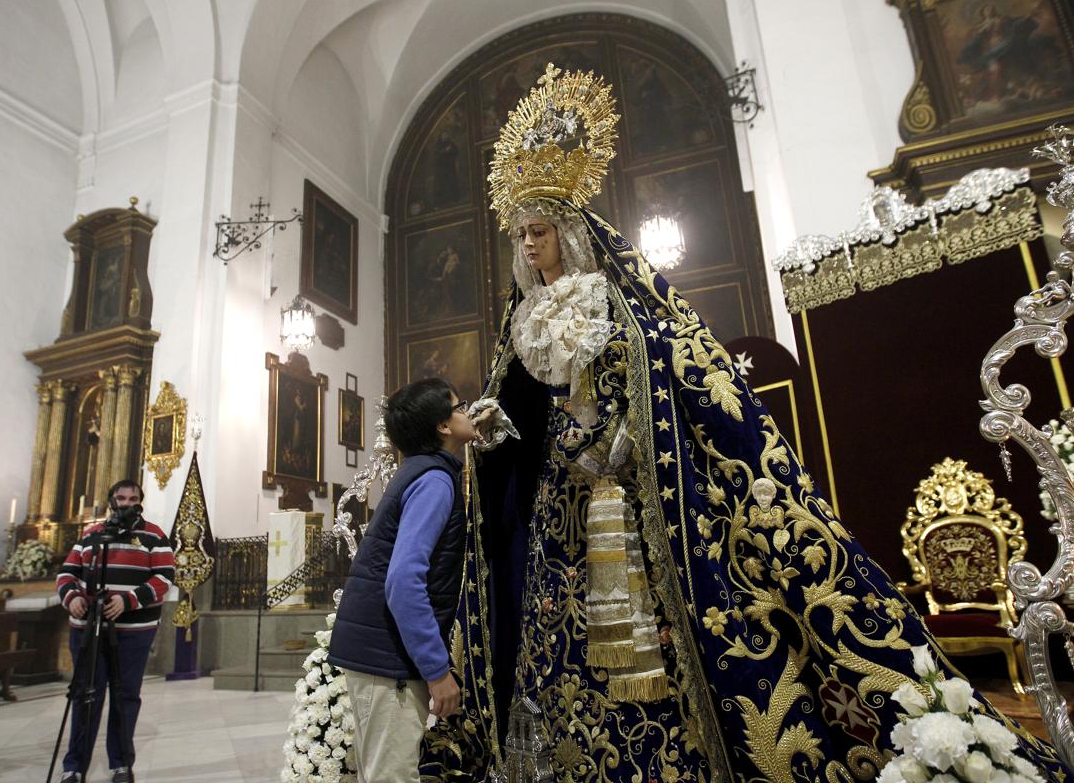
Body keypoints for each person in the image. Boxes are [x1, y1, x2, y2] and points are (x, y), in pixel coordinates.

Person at [417, 64, 1072, 782]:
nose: (529, 244)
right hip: (560, 518)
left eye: (540, 230)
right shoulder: (522, 322)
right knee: (561, 645)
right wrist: (497, 428)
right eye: (521, 234)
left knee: (657, 650)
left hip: (630, 507)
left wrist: (621, 437)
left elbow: (666, 381)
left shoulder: (617, 305)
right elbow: (522, 412)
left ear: (570, 231)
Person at [328, 378, 479, 782]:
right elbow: (403, 581)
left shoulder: (421, 471)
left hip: (380, 653)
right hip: (388, 659)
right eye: (460, 405)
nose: (469, 412)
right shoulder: (434, 481)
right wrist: (437, 670)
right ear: (443, 427)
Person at [55, 480, 175, 783]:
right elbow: (68, 573)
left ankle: (121, 764)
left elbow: (164, 577)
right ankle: (75, 766)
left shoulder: (154, 535)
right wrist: (73, 598)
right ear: (111, 500)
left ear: (140, 501)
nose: (126, 503)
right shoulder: (92, 534)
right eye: (121, 498)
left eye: (133, 498)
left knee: (125, 696)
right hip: (88, 629)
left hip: (134, 630)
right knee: (85, 696)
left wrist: (128, 599)